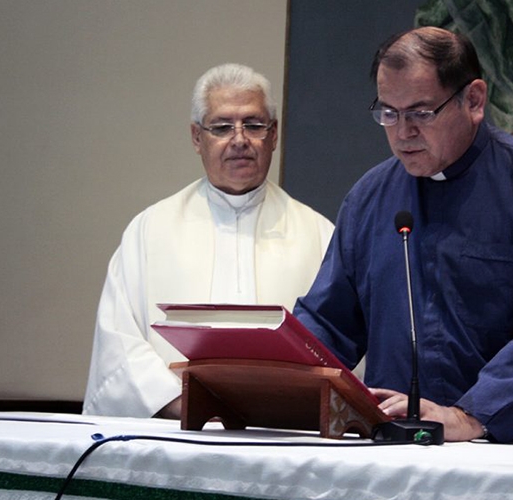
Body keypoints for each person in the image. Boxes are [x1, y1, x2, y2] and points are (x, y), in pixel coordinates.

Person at [293, 27, 513, 443]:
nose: (402, 133)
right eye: (388, 113)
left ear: (473, 100)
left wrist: (471, 414)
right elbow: (329, 322)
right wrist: (272, 380)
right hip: (389, 439)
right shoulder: (369, 197)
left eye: (420, 113)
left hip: (505, 443)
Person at [83, 63, 334, 419]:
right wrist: (187, 404)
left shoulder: (320, 236)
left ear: (274, 135)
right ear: (197, 137)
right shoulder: (149, 231)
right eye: (221, 127)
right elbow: (118, 343)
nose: (239, 140)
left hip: (285, 436)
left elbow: (339, 353)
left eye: (254, 124)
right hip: (176, 434)